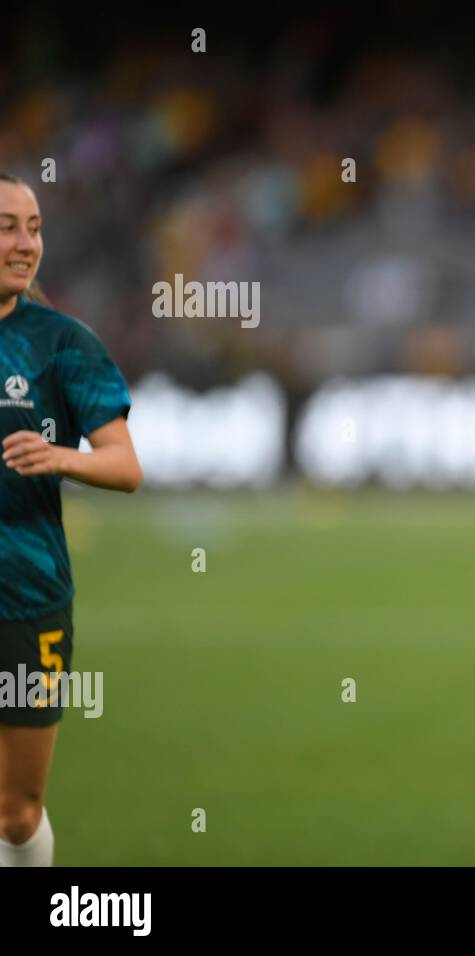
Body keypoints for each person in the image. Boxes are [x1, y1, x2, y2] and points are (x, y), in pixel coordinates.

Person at [0, 172, 141, 867]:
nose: (26, 244)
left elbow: (125, 466)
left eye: (35, 227)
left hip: (28, 601)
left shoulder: (62, 342)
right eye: (8, 227)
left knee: (17, 814)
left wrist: (58, 456)